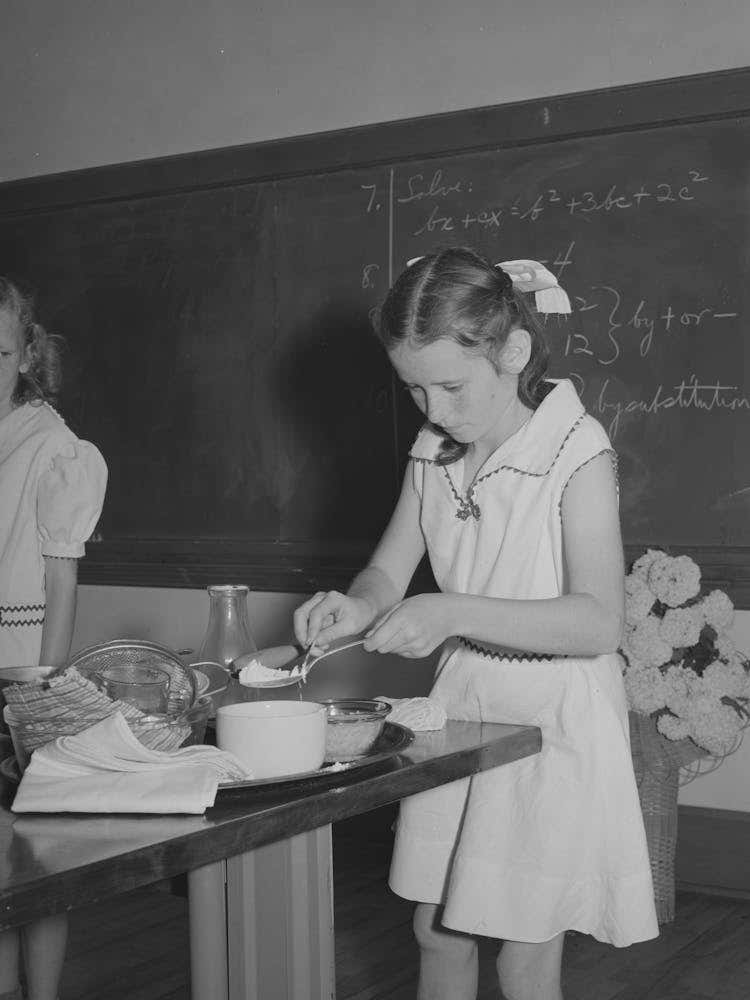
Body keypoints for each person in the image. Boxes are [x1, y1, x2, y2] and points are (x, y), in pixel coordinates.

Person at [294, 246, 658, 1000]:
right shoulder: (432, 451)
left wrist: (451, 610)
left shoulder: (574, 452)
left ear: (512, 352)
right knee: (437, 929)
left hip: (552, 718)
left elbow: (597, 623)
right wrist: (355, 606)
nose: (433, 410)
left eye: (451, 386)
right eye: (414, 388)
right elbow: (387, 571)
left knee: (524, 954)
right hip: (462, 715)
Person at [0, 277, 108, 1000]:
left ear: (26, 353)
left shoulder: (53, 447)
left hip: (20, 673)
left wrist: (45, 693)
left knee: (36, 857)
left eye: (0, 350)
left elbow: (62, 581)